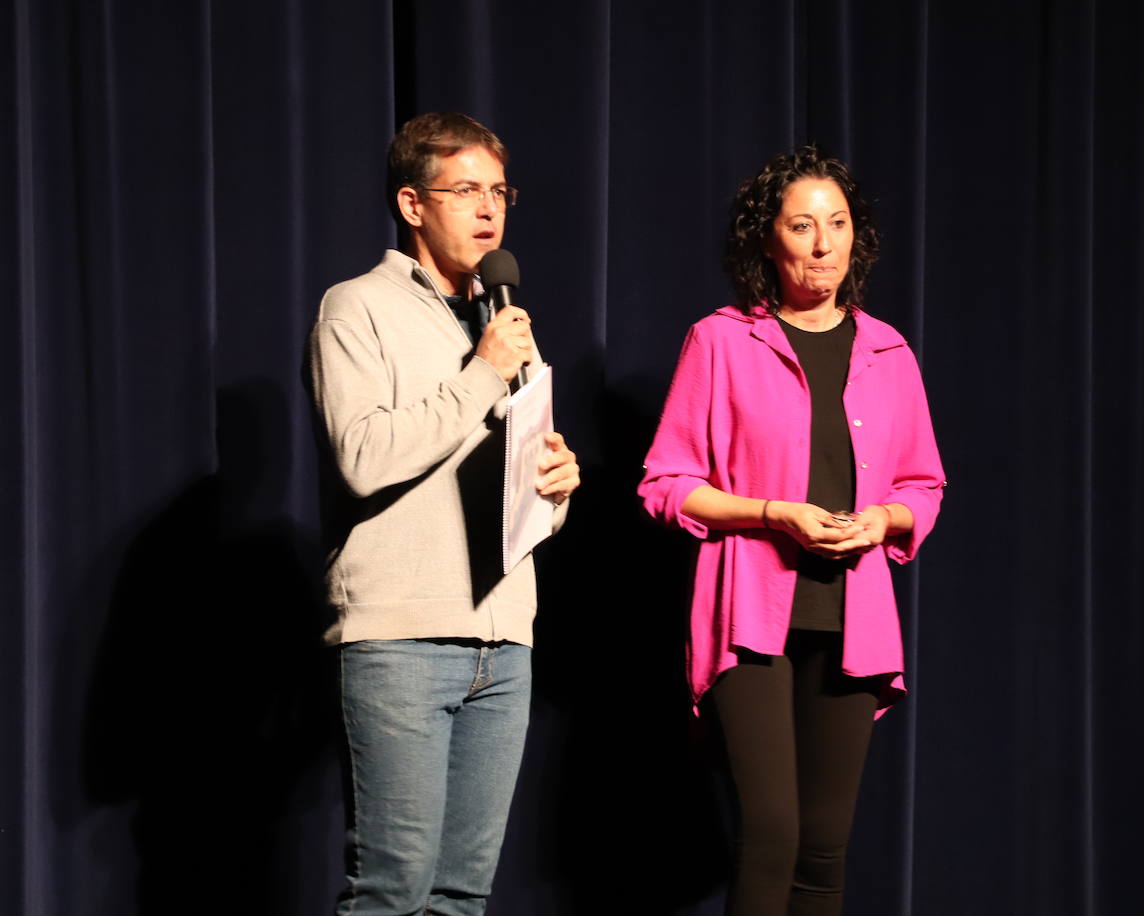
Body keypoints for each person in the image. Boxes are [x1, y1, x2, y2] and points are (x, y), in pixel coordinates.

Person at [638, 146, 945, 915]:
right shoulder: (721, 341)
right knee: (771, 832)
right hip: (751, 619)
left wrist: (882, 519)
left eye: (836, 225)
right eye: (802, 226)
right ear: (766, 241)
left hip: (854, 618)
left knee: (824, 846)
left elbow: (923, 487)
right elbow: (666, 484)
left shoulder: (889, 351)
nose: (822, 244)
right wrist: (773, 514)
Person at [308, 112, 579, 916]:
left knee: (462, 897)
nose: (489, 209)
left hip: (505, 639)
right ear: (412, 203)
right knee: (393, 889)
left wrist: (556, 490)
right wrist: (483, 376)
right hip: (401, 637)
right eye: (466, 190)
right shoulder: (355, 308)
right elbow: (364, 458)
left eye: (499, 192)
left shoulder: (504, 324)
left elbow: (511, 484)